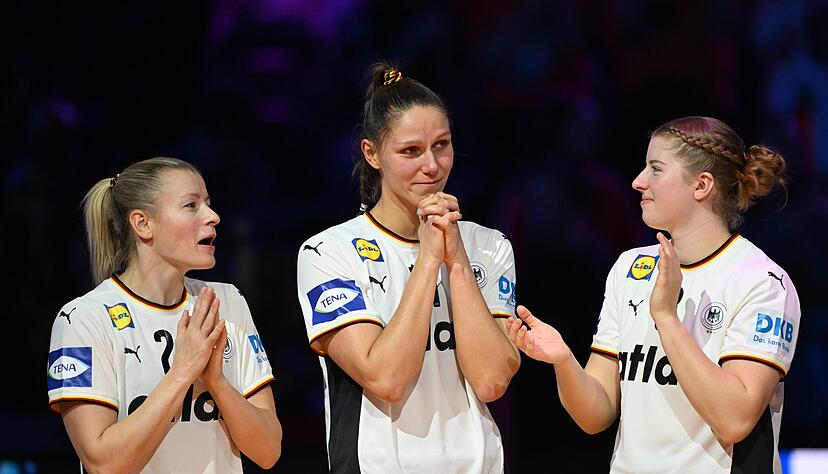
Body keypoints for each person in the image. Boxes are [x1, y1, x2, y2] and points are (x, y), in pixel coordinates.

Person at [507, 116, 800, 473]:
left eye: (656, 169)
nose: (638, 181)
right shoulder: (630, 267)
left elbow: (734, 420)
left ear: (702, 185)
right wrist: (563, 361)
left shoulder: (762, 281)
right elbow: (596, 415)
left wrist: (666, 317)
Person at [296, 64, 521, 473]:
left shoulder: (488, 246)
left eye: (442, 145)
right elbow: (386, 380)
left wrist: (457, 263)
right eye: (411, 151)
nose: (433, 166)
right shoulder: (328, 251)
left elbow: (492, 381)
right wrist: (430, 257)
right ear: (372, 154)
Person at [47, 157, 282, 473]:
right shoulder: (83, 318)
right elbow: (103, 464)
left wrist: (216, 381)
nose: (213, 217)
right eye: (191, 206)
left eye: (208, 204)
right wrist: (183, 371)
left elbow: (268, 451)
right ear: (143, 224)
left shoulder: (226, 301)